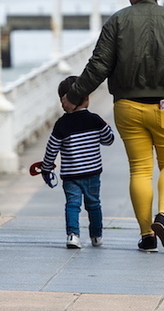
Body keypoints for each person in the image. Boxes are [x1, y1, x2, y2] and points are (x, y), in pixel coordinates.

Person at [61, 0, 164, 252]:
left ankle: (146, 235)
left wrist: (74, 96)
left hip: (128, 106)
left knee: (139, 170)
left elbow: (98, 65)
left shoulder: (118, 21)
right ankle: (163, 216)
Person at [40, 76, 115, 249]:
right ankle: (96, 236)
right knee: (94, 204)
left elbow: (51, 150)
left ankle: (73, 236)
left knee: (72, 205)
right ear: (87, 98)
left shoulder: (61, 124)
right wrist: (106, 125)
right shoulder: (95, 120)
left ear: (65, 101)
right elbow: (108, 140)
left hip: (71, 175)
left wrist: (45, 168)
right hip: (92, 174)